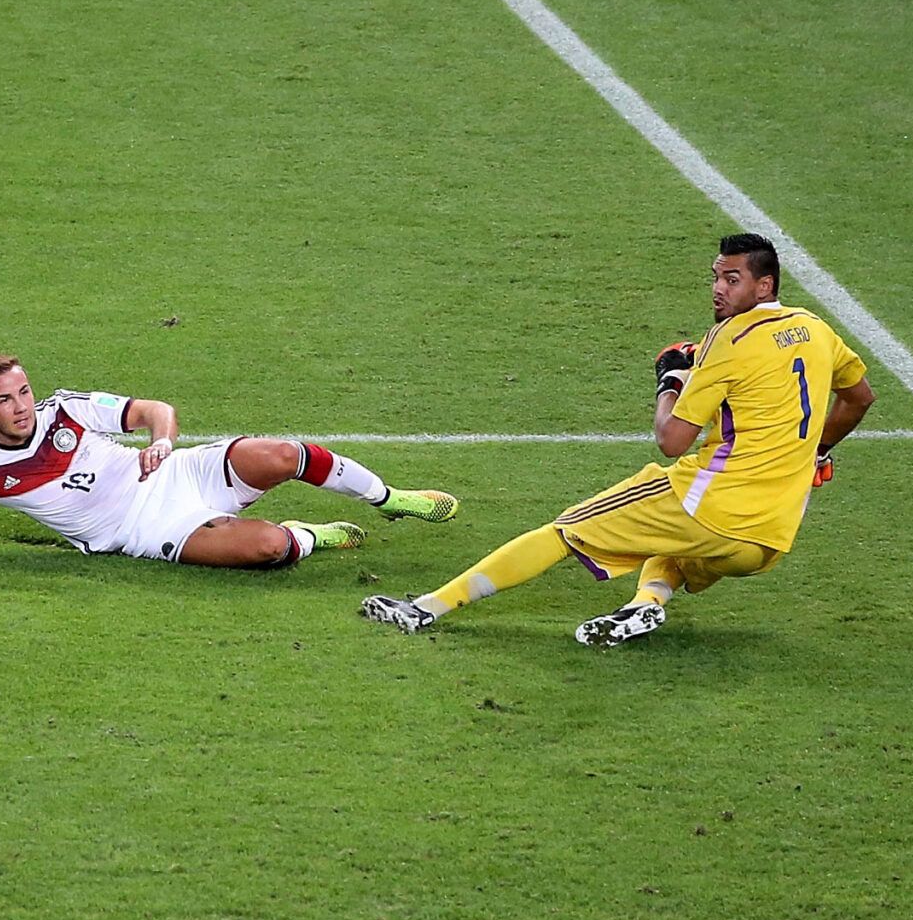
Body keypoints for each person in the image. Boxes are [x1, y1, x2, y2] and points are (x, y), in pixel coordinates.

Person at [362, 234, 874, 645]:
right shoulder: (815, 329)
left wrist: (671, 380)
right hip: (770, 537)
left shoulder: (729, 341)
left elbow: (672, 440)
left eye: (733, 279)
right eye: (716, 277)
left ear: (764, 286)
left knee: (564, 530)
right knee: (667, 549)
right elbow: (859, 397)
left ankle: (426, 608)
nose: (719, 289)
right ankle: (644, 606)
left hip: (710, 505)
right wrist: (818, 450)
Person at [0, 354, 461, 566]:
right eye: (4, 400)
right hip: (145, 530)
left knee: (287, 453)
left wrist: (161, 442)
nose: (21, 406)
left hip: (174, 471)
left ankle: (392, 498)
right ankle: (312, 536)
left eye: (23, 392)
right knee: (267, 550)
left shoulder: (68, 408)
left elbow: (156, 408)